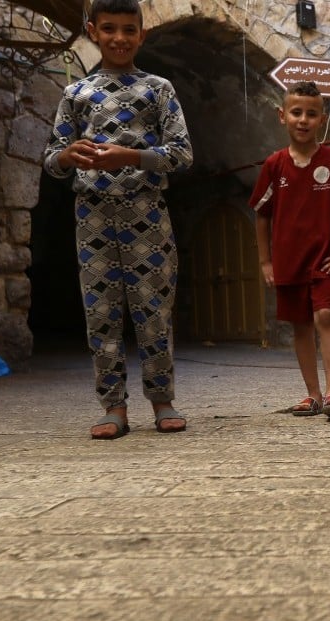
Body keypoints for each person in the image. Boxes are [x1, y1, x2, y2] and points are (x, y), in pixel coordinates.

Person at [42, 0, 192, 439]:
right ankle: (114, 407)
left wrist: (131, 156)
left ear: (141, 34)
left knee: (154, 310)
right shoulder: (76, 94)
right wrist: (67, 157)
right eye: (109, 29)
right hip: (91, 215)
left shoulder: (159, 89)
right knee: (101, 312)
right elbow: (52, 159)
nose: (119, 38)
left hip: (146, 212)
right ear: (93, 31)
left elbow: (182, 155)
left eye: (129, 30)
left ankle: (162, 402)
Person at [250, 82, 330, 418]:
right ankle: (312, 394)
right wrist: (265, 261)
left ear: (322, 118)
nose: (303, 119)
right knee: (300, 325)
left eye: (311, 114)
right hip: (288, 262)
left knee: (325, 316)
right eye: (296, 112)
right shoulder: (274, 164)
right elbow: (261, 213)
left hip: (325, 260)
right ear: (282, 116)